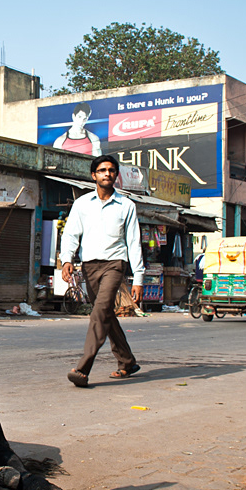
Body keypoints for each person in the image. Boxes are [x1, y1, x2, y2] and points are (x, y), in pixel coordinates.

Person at [59, 154, 145, 387]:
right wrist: (66, 259)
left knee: (99, 311)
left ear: (116, 175)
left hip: (115, 264)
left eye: (111, 170)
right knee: (105, 313)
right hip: (89, 266)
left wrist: (138, 278)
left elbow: (133, 242)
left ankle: (83, 367)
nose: (107, 173)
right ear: (93, 175)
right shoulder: (82, 204)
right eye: (102, 170)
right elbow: (71, 234)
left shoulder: (126, 206)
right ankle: (127, 361)